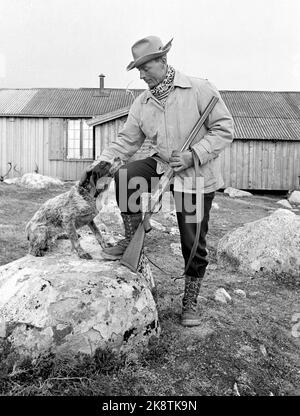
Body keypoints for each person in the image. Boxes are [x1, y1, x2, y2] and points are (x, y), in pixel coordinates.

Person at [80, 35, 234, 327]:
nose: (141, 75)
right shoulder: (143, 102)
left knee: (192, 240)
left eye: (145, 68)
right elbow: (126, 141)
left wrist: (193, 155)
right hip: (162, 164)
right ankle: (132, 237)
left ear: (163, 61)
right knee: (126, 175)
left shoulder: (200, 89)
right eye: (137, 70)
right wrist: (100, 165)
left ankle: (190, 301)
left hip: (196, 177)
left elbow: (225, 130)